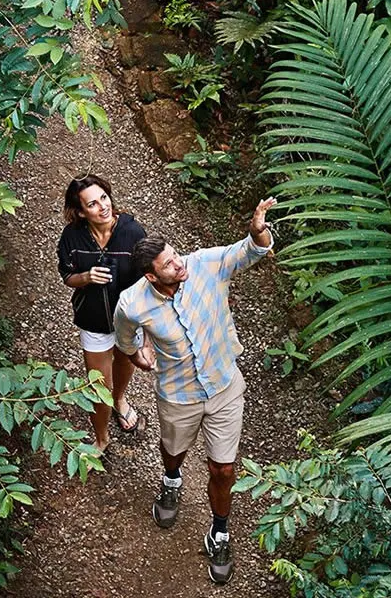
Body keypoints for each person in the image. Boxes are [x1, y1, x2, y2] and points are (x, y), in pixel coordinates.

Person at [114, 197, 277, 586]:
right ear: (152, 277)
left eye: (176, 254)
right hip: (178, 395)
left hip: (224, 387)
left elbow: (251, 250)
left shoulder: (204, 265)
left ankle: (219, 531)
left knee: (223, 468)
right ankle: (171, 480)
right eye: (169, 264)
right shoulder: (132, 303)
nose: (179, 263)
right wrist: (139, 354)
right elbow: (124, 338)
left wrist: (257, 231)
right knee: (174, 451)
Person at [56, 175, 149, 451]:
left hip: (128, 320)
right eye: (92, 204)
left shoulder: (132, 232)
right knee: (98, 388)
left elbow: (148, 277)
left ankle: (120, 400)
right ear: (81, 211)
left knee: (123, 360)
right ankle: (101, 438)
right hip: (93, 321)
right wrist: (85, 276)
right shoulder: (72, 236)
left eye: (104, 198)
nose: (102, 207)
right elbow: (67, 275)